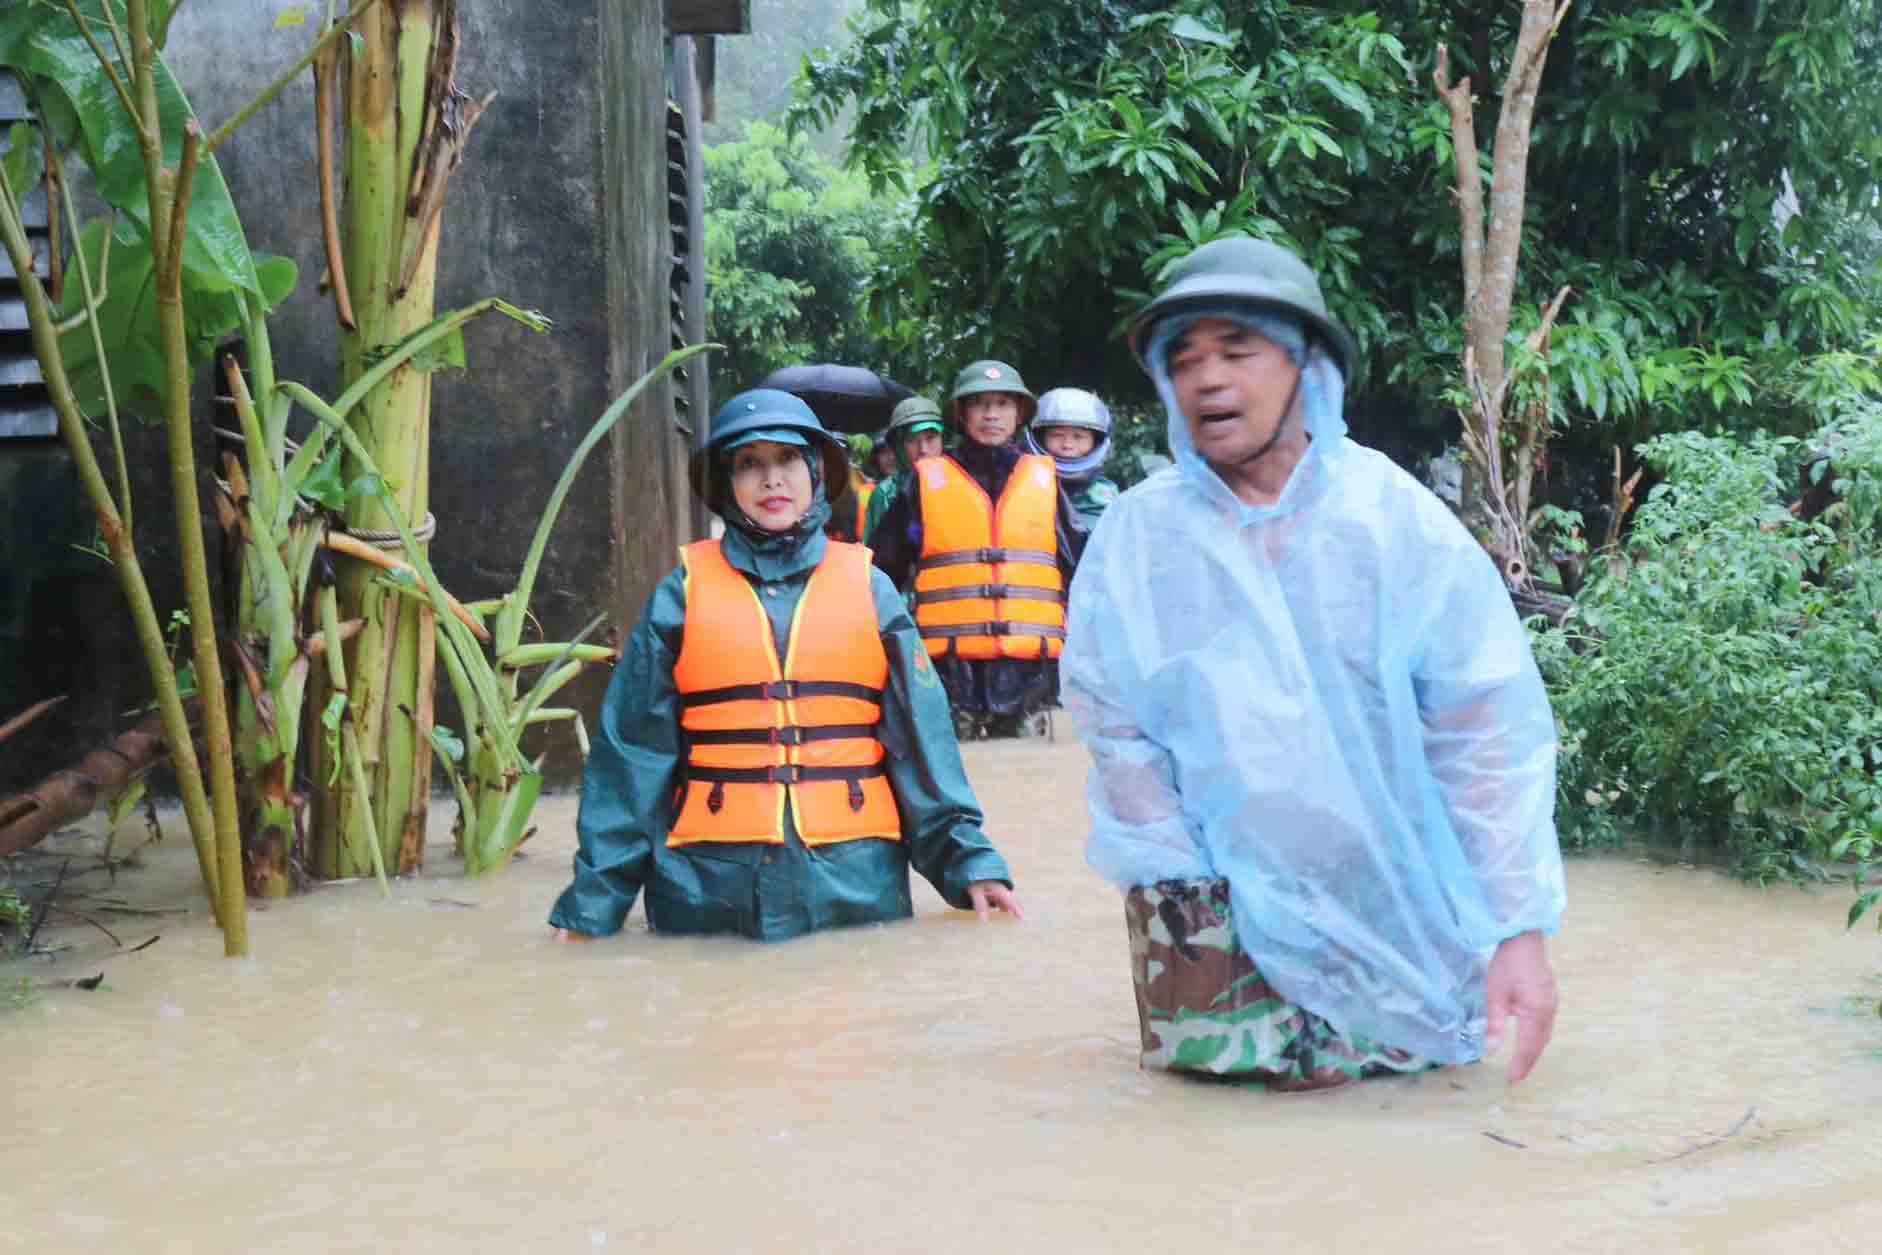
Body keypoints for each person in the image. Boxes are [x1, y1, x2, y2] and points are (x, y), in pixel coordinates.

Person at [1063, 236, 1563, 1091]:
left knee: (1407, 1133)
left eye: (1238, 350)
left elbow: (1483, 736)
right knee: (1217, 1156)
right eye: (1185, 358)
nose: (1209, 379)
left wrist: (1516, 928)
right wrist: (1196, 894)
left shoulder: (1396, 524)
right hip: (1200, 913)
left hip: (1387, 901)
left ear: (1308, 367)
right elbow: (1115, 727)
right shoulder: (1138, 540)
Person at [549, 387, 1024, 943]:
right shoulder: (679, 595)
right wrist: (593, 904)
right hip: (706, 885)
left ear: (817, 472)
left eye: (788, 460)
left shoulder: (871, 589)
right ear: (728, 483)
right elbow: (632, 755)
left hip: (855, 882)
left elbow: (922, 745)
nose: (772, 480)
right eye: (750, 464)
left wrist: (970, 865)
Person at [869, 360, 1085, 739]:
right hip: (949, 675)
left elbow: (1083, 573)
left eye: (1002, 403)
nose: (991, 414)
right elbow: (881, 573)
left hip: (1030, 675)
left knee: (1031, 789)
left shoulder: (1044, 481)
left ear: (1018, 414)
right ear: (961, 413)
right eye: (979, 404)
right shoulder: (925, 482)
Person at [1026, 387, 1120, 529]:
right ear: (1039, 437)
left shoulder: (1103, 491)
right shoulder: (1023, 482)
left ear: (1096, 441)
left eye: (1078, 436)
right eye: (1057, 435)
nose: (1067, 445)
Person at [862, 396, 947, 546]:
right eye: (912, 440)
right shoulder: (886, 492)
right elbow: (873, 554)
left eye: (931, 438)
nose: (923, 449)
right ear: (898, 447)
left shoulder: (963, 482)